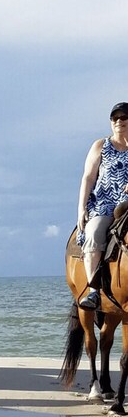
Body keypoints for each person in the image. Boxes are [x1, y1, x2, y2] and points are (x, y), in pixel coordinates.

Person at [77, 102, 128, 310]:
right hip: (105, 204)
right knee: (95, 232)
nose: (119, 121)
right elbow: (88, 178)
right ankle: (93, 292)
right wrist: (81, 209)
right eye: (115, 118)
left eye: (124, 117)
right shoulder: (100, 146)